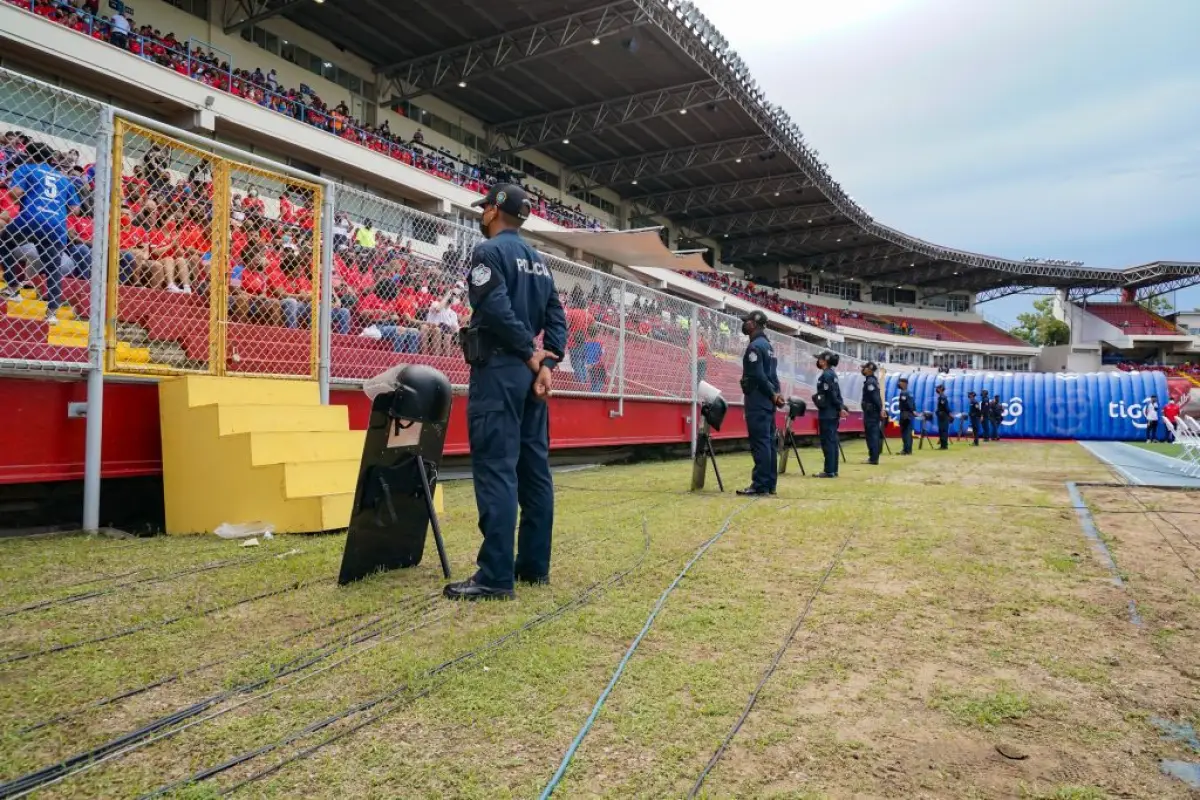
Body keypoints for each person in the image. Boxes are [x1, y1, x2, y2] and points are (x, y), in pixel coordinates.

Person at [443, 183, 566, 602]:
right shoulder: (540, 262)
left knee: (496, 468)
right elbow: (557, 320)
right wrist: (547, 365)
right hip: (533, 380)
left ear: (495, 211)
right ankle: (532, 567)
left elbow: (494, 308)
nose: (482, 215)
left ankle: (495, 575)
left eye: (485, 208)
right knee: (534, 471)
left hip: (500, 371)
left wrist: (533, 357)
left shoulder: (488, 252)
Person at [0, 141, 81, 323]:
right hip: (56, 224)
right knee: (54, 268)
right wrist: (54, 208)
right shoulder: (64, 179)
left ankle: (12, 286)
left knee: (4, 241)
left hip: (31, 217)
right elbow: (75, 209)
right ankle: (52, 313)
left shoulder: (26, 169)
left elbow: (15, 193)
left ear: (29, 156)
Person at [736, 310, 784, 496]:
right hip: (767, 401)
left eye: (746, 321)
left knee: (760, 443)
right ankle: (770, 483)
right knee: (769, 442)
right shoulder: (769, 347)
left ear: (753, 324)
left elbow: (759, 376)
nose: (744, 324)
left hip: (758, 400)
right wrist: (776, 394)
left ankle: (760, 485)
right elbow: (773, 376)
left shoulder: (755, 347)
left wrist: (773, 394)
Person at [812, 350, 847, 478]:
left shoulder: (826, 375)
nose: (818, 361)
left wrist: (840, 407)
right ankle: (833, 469)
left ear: (824, 361)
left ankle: (828, 471)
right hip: (832, 412)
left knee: (828, 442)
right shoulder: (832, 374)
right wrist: (840, 407)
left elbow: (831, 394)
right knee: (832, 441)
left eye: (820, 359)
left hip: (828, 412)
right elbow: (837, 393)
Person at [860, 361, 884, 465]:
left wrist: (880, 410)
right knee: (872, 434)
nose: (863, 370)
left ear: (869, 369)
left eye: (864, 368)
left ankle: (873, 458)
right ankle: (873, 457)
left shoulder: (870, 382)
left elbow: (875, 398)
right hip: (871, 411)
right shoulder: (871, 381)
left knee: (872, 435)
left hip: (871, 412)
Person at [896, 376, 915, 455]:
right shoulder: (910, 392)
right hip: (909, 414)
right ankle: (909, 450)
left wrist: (910, 410)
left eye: (900, 382)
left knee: (905, 432)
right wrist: (913, 411)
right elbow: (913, 404)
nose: (898, 384)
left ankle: (906, 450)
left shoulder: (904, 393)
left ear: (904, 384)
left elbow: (907, 404)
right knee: (908, 432)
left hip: (905, 414)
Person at [935, 384, 952, 450]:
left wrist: (949, 414)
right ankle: (942, 445)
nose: (937, 390)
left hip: (943, 416)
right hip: (941, 416)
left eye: (938, 388)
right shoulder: (941, 397)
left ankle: (944, 446)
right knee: (941, 430)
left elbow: (945, 407)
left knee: (943, 430)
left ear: (941, 389)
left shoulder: (942, 397)